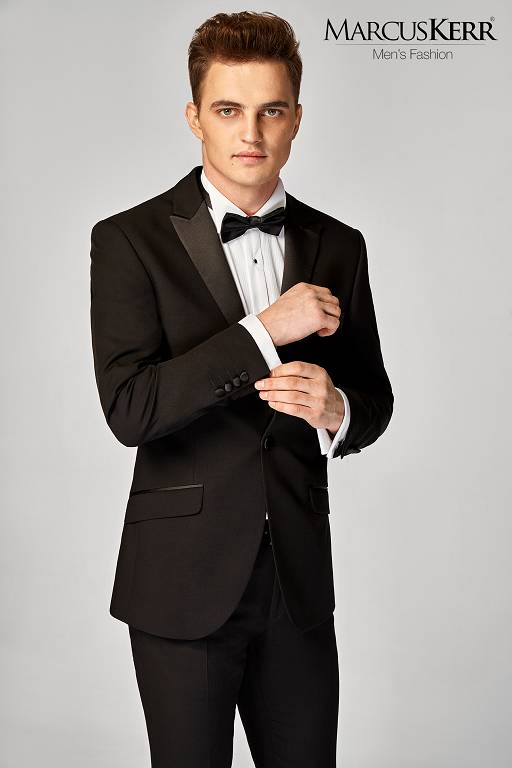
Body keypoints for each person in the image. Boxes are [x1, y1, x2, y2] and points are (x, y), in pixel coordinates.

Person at [89, 10, 393, 767]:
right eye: (228, 110)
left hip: (297, 583)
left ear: (297, 119)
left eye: (271, 111)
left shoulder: (340, 245)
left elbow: (374, 400)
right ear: (195, 117)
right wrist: (264, 331)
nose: (250, 132)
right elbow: (131, 409)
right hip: (180, 583)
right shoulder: (128, 240)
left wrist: (339, 410)